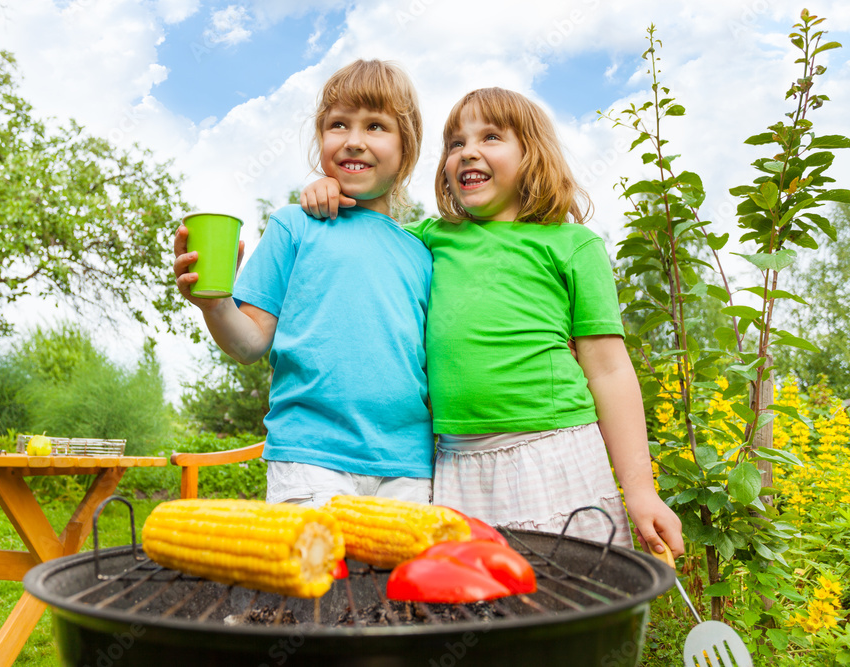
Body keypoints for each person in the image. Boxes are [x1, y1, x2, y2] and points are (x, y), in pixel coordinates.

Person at [299, 87, 683, 556]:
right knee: (470, 605)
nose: (468, 152)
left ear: (532, 155)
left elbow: (608, 370)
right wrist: (331, 188)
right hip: (456, 466)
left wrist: (641, 490)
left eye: (491, 137)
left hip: (556, 452)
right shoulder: (429, 239)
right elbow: (369, 232)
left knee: (566, 604)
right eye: (456, 143)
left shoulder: (571, 244)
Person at [172, 60, 434, 508]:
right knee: (315, 578)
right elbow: (250, 344)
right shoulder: (295, 225)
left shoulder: (424, 253)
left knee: (397, 582)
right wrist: (214, 305)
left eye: (375, 126)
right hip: (310, 459)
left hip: (408, 466)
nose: (354, 140)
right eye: (338, 125)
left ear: (406, 151)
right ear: (321, 140)